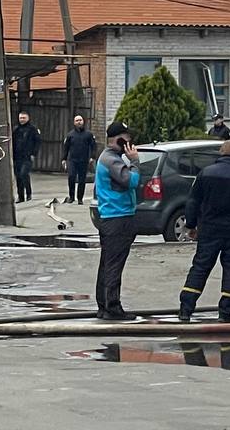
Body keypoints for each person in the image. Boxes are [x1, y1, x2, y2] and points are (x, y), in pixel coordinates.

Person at [178, 140, 230, 324]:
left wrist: (191, 225)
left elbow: (192, 202)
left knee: (200, 268)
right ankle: (226, 312)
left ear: (221, 152)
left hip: (209, 230)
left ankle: (186, 309)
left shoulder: (205, 173)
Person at [94, 121, 141, 320]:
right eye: (127, 140)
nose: (129, 144)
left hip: (111, 216)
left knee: (107, 263)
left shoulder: (108, 158)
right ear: (119, 139)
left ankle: (104, 306)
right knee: (114, 264)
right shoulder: (112, 160)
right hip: (117, 217)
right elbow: (132, 181)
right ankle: (112, 307)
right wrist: (135, 161)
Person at [62, 114, 97, 204]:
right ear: (74, 123)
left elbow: (93, 146)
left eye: (80, 120)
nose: (79, 122)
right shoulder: (70, 135)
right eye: (77, 120)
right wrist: (64, 159)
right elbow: (66, 148)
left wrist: (92, 157)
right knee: (71, 177)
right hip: (72, 160)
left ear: (83, 122)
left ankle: (80, 198)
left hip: (84, 160)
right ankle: (71, 197)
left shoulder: (88, 134)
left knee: (82, 180)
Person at [12, 110, 41, 203]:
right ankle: (21, 196)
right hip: (17, 156)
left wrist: (34, 153)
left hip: (27, 156)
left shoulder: (32, 129)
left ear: (28, 118)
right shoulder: (16, 129)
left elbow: (37, 142)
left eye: (24, 118)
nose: (22, 120)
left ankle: (28, 193)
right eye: (20, 118)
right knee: (18, 177)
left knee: (24, 174)